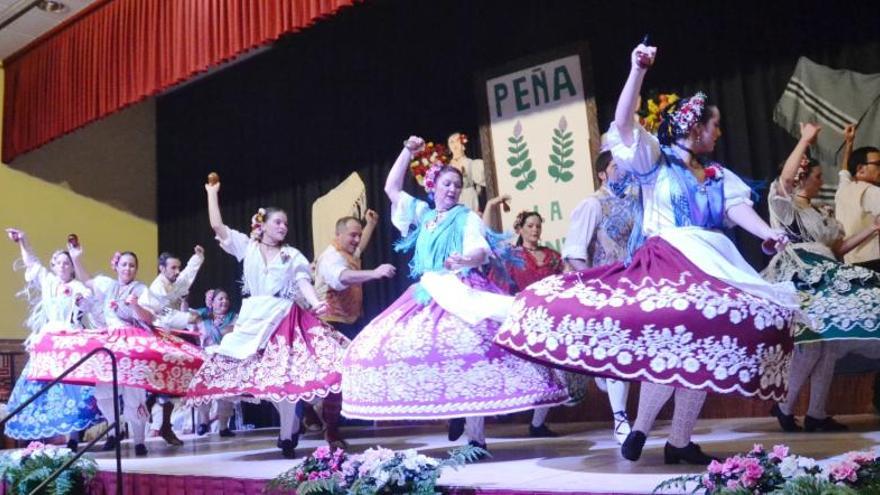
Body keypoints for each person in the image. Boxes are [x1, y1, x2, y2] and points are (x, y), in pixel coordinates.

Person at [494, 43, 800, 465]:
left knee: (701, 348)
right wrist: (636, 70)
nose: (719, 133)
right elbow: (622, 124)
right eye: (715, 126)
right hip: (670, 258)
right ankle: (641, 428)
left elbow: (736, 208)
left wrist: (769, 234)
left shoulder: (716, 175)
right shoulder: (656, 160)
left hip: (712, 260)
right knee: (676, 348)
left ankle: (676, 440)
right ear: (694, 129)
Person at [341, 136, 568, 453]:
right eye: (446, 184)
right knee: (401, 347)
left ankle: (476, 439)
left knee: (469, 352)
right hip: (427, 293)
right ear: (433, 186)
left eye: (456, 186)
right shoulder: (423, 214)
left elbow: (480, 250)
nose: (451, 190)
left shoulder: (467, 217)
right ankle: (455, 414)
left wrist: (465, 259)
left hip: (462, 288)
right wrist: (407, 151)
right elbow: (392, 188)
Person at [187, 179, 349, 458]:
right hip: (253, 319)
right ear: (262, 225)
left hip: (282, 318)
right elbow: (217, 226)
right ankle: (293, 424)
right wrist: (211, 193)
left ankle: (287, 435)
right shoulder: (247, 247)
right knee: (265, 382)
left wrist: (315, 303)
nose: (283, 227)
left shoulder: (291, 255)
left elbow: (302, 282)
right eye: (278, 222)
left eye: (285, 224)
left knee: (282, 377)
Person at [27, 242, 204, 457]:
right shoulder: (107, 285)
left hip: (132, 343)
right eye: (124, 265)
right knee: (103, 394)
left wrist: (135, 306)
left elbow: (149, 318)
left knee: (134, 396)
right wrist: (76, 257)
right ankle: (115, 429)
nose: (127, 269)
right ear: (117, 267)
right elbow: (87, 280)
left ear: (135, 269)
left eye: (132, 266)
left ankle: (139, 441)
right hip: (111, 341)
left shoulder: (140, 290)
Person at [765, 122, 880, 432]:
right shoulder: (784, 204)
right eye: (818, 176)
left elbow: (838, 247)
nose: (821, 181)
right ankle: (785, 406)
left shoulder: (820, 212)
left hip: (826, 269)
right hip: (800, 270)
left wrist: (872, 229)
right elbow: (786, 178)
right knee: (813, 342)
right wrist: (804, 141)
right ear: (805, 177)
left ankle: (816, 413)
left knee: (827, 343)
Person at [558, 149, 638, 445]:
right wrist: (595, 286)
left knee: (622, 356)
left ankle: (605, 380)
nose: (623, 172)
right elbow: (575, 251)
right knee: (616, 354)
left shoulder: (633, 204)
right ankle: (620, 419)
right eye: (617, 167)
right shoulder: (592, 205)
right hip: (603, 289)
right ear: (603, 173)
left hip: (630, 288)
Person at [3, 229, 102, 449]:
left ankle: (74, 438)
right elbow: (31, 263)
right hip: (50, 339)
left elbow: (90, 305)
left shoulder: (78, 287)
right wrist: (23, 240)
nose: (64, 266)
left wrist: (81, 303)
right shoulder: (48, 282)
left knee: (73, 389)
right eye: (59, 262)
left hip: (72, 340)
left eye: (67, 263)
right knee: (42, 388)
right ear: (53, 265)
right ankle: (41, 438)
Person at [482, 199, 565, 438]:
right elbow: (497, 283)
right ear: (520, 229)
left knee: (552, 371)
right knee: (518, 368)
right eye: (530, 225)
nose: (535, 230)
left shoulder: (551, 255)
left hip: (547, 319)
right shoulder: (511, 255)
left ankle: (538, 424)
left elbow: (563, 280)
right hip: (521, 317)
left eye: (538, 226)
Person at [138, 247, 206, 447]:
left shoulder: (174, 282)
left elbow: (187, 276)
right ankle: (156, 422)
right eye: (173, 268)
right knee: (159, 386)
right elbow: (163, 315)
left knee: (169, 384)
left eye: (178, 267)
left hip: (168, 338)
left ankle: (164, 425)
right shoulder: (156, 289)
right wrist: (187, 317)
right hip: (153, 339)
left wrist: (198, 257)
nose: (177, 271)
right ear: (162, 269)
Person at [314, 210, 395, 339]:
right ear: (338, 234)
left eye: (359, 235)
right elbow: (342, 276)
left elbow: (359, 248)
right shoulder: (331, 257)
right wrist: (375, 273)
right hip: (331, 323)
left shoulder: (347, 252)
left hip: (348, 322)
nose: (357, 239)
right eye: (353, 235)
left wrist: (371, 224)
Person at [834, 125, 880, 271]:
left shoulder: (844, 188)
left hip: (848, 263)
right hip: (874, 263)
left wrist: (849, 142)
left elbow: (845, 170)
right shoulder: (872, 192)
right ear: (860, 169)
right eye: (878, 164)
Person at [193, 288, 237, 437]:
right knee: (204, 392)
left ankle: (224, 427)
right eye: (220, 299)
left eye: (226, 299)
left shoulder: (234, 317)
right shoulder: (201, 318)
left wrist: (220, 332)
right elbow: (185, 315)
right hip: (205, 359)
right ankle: (204, 422)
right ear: (212, 303)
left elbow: (234, 332)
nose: (225, 301)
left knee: (225, 394)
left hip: (226, 358)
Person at [448, 132, 486, 213]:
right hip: (453, 199)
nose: (454, 145)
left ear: (463, 145)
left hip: (468, 197)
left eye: (457, 141)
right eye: (451, 142)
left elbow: (482, 180)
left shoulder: (471, 163)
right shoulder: (447, 166)